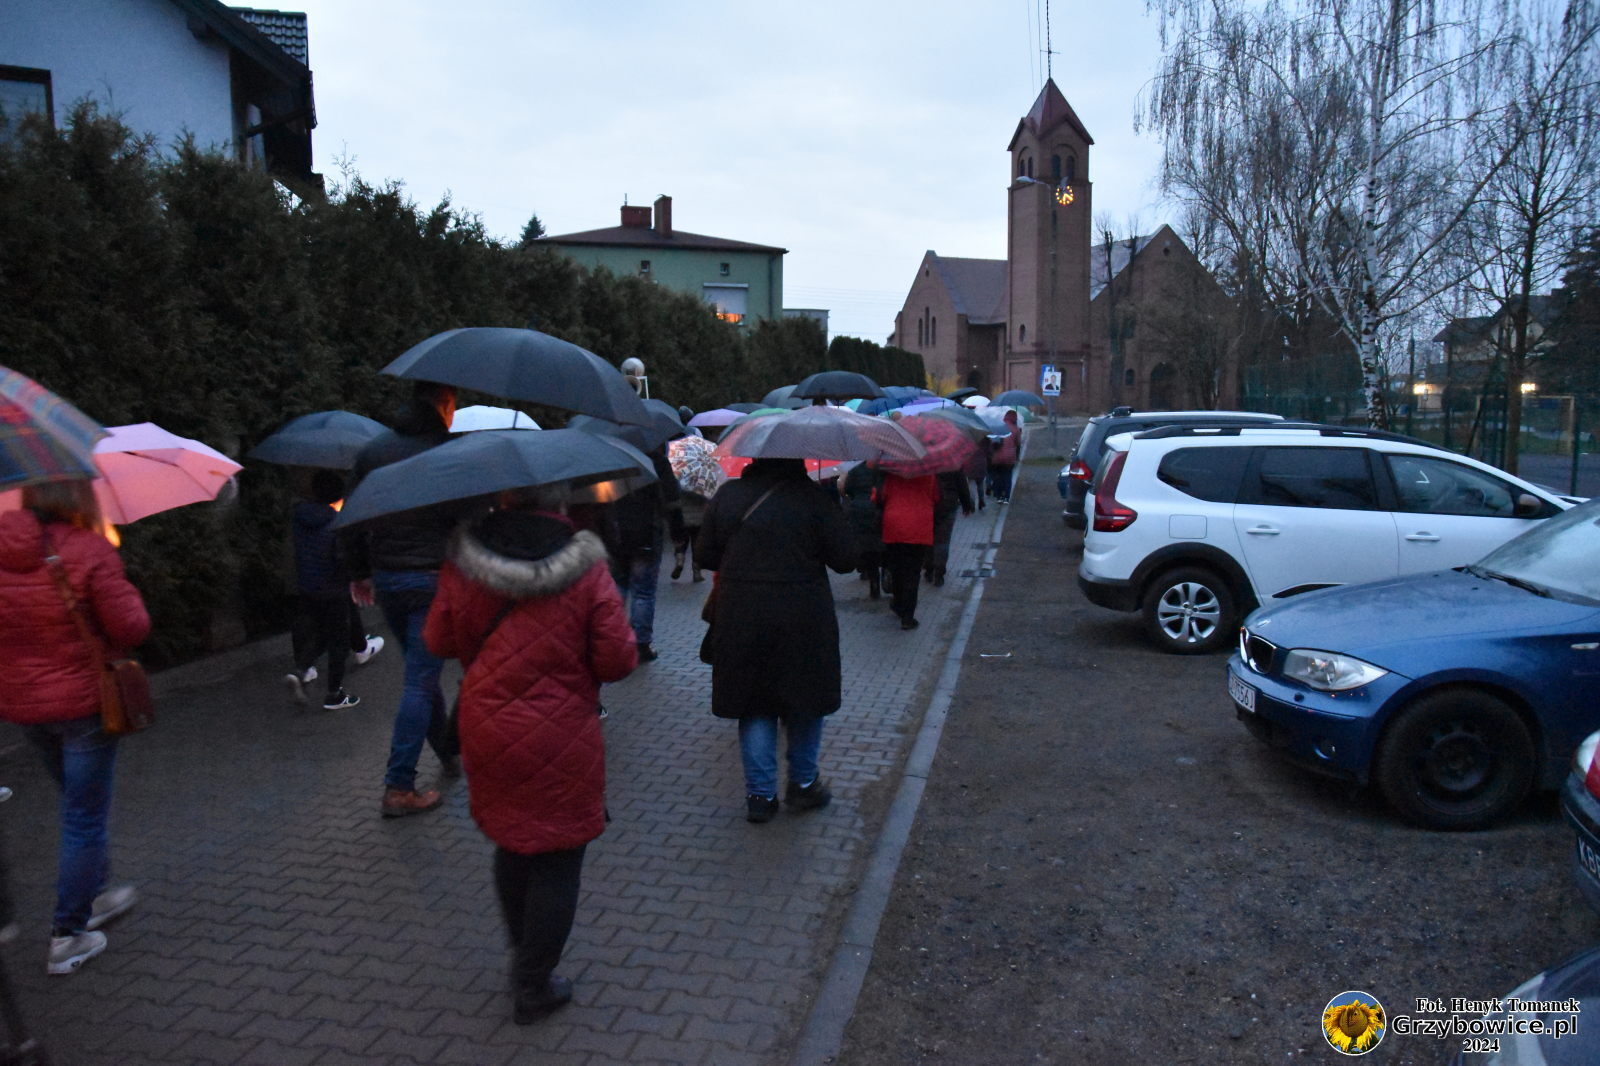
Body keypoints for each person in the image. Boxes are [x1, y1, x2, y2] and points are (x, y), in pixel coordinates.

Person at [424, 487, 637, 1024]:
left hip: (487, 727)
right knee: (559, 856)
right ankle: (533, 982)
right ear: (559, 498)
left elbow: (438, 640)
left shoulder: (464, 559)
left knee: (513, 840)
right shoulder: (586, 565)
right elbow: (617, 660)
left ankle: (524, 956)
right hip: (563, 733)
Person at [0, 479, 150, 975]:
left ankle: (97, 892)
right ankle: (67, 935)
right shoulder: (88, 550)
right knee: (83, 817)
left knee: (76, 802)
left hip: (24, 704)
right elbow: (131, 626)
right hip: (84, 704)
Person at [697, 458, 857, 823]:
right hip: (804, 617)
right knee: (806, 699)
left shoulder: (729, 495)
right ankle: (803, 784)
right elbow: (846, 560)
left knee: (754, 703)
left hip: (741, 614)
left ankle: (760, 795)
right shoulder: (814, 499)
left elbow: (705, 554)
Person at [346, 380, 461, 817]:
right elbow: (464, 519)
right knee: (420, 680)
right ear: (444, 403)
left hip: (388, 578)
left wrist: (359, 571)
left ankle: (447, 753)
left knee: (421, 672)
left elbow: (351, 516)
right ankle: (398, 786)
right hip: (432, 578)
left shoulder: (373, 452)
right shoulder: (449, 453)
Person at [285, 470, 361, 710]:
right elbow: (341, 558)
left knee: (320, 634)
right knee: (339, 641)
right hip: (334, 590)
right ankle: (334, 694)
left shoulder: (299, 516)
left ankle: (300, 671)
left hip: (308, 586)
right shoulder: (336, 522)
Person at [611, 446, 680, 662]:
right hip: (646, 532)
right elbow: (672, 500)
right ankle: (641, 644)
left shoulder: (612, 456)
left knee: (618, 586)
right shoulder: (656, 460)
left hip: (616, 533)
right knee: (643, 592)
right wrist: (678, 535)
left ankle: (614, 639)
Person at [879, 472, 939, 630]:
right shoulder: (928, 474)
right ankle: (908, 617)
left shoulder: (892, 474)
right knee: (913, 573)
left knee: (897, 568)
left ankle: (898, 604)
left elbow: (882, 496)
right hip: (919, 526)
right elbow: (936, 497)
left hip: (894, 524)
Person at [839, 461, 885, 598]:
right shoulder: (883, 469)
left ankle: (870, 576)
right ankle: (881, 574)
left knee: (865, 545)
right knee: (879, 543)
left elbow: (847, 490)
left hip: (859, 510)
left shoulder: (855, 470)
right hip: (877, 510)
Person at [926, 470, 975, 587]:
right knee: (943, 540)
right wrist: (966, 505)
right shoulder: (953, 463)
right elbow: (962, 484)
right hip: (948, 504)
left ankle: (929, 568)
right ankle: (939, 573)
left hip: (929, 503)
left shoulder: (927, 462)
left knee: (929, 538)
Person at [989, 410, 1023, 503]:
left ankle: (999, 496)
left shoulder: (998, 427)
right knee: (1007, 477)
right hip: (1009, 458)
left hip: (997, 457)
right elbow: (1018, 443)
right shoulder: (1016, 429)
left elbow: (992, 442)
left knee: (998, 477)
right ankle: (1006, 497)